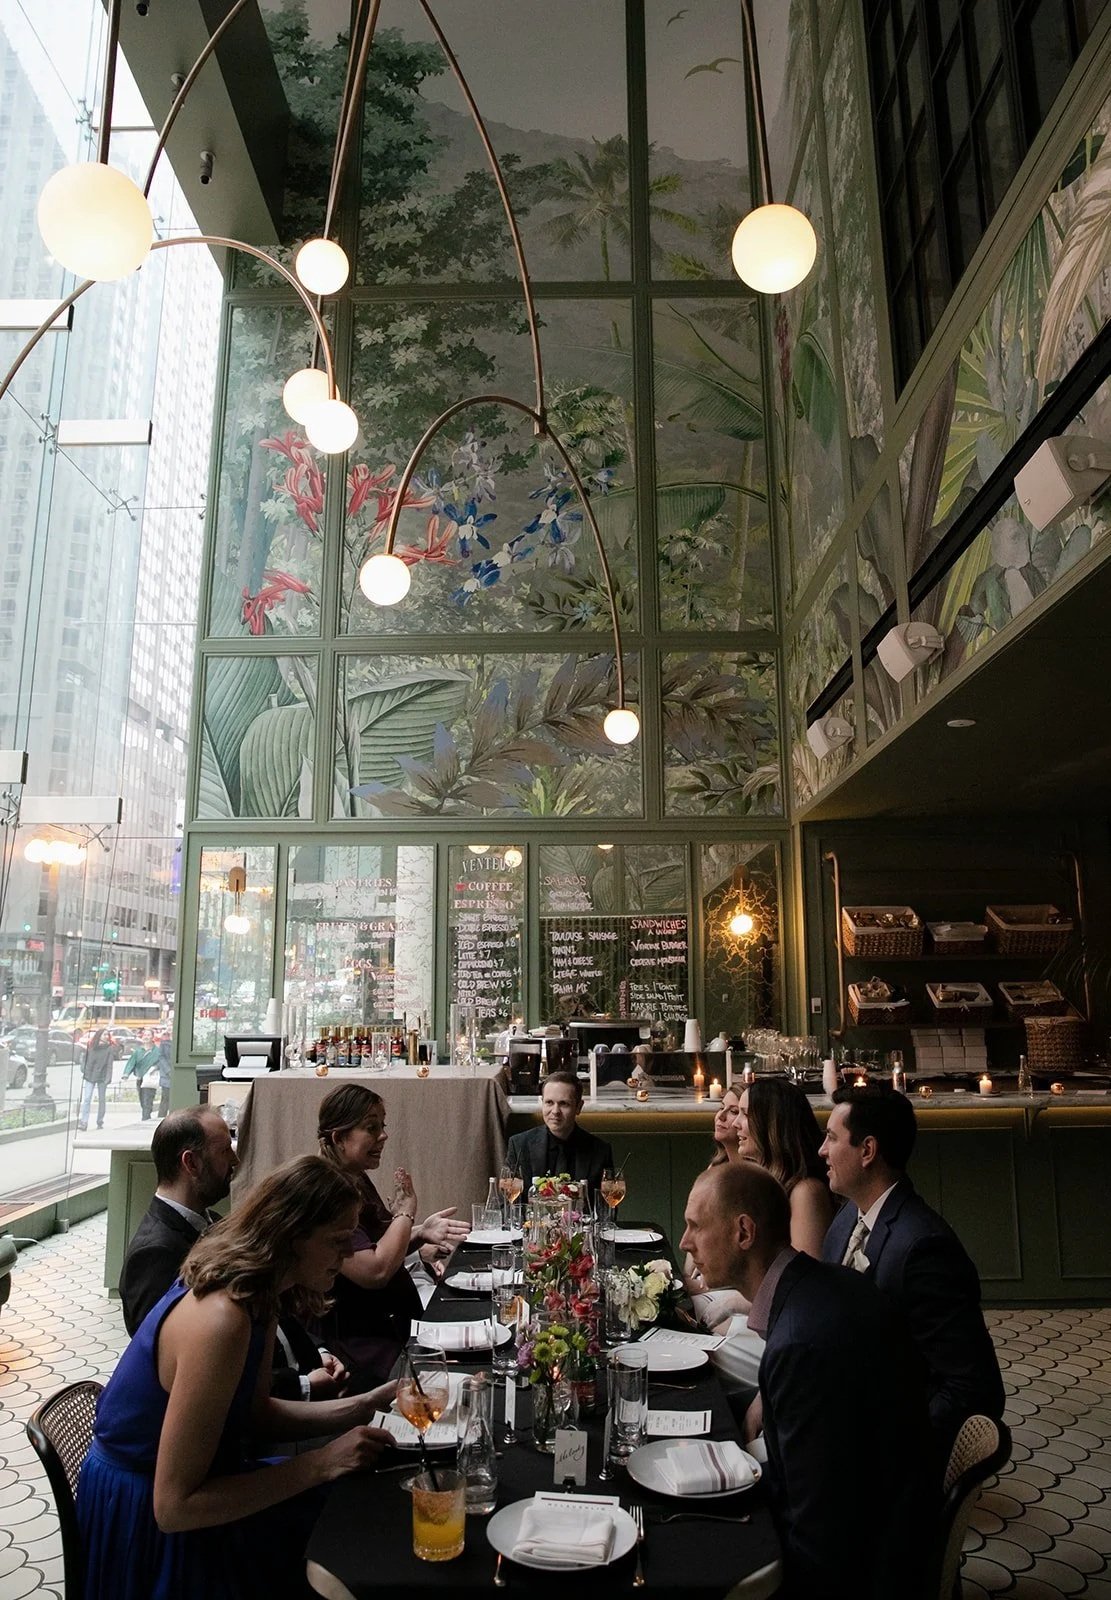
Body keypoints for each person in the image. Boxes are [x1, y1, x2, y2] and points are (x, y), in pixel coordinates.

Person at [77, 1155, 396, 1600]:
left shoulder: (259, 1295)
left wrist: (362, 1407)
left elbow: (253, 1412)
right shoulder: (222, 1318)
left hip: (199, 1485)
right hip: (150, 1522)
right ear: (291, 1236)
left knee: (358, 1508)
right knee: (348, 1535)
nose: (349, 1255)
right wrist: (322, 1462)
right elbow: (174, 1507)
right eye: (339, 1240)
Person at [680, 1161, 934, 1600]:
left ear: (744, 1233)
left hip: (869, 1566)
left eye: (695, 1227)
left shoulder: (801, 1343)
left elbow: (821, 1540)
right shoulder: (818, 1286)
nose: (685, 1242)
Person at [820, 1085, 1005, 1463]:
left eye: (832, 1138)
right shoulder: (846, 1218)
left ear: (867, 1151)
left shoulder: (924, 1248)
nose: (822, 1151)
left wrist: (885, 1446)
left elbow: (972, 1387)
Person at [119, 1107, 343, 1401]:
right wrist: (301, 1385)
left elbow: (272, 1303)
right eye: (226, 1150)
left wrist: (316, 1352)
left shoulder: (213, 1221)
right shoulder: (153, 1254)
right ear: (192, 1162)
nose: (236, 1160)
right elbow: (178, 1373)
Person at [315, 1083, 469, 1390]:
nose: (383, 1136)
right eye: (371, 1128)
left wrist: (420, 1233)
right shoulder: (325, 1191)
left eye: (382, 1127)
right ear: (338, 1138)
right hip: (364, 1348)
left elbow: (378, 1242)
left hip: (396, 1326)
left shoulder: (354, 1176)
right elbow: (375, 1270)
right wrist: (406, 1212)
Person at [686, 1080, 835, 1398]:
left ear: (773, 1122)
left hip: (793, 1336)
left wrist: (730, 1306)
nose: (736, 1123)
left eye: (744, 1114)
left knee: (698, 1355)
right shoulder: (768, 1181)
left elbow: (801, 1292)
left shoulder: (806, 1190)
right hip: (769, 1318)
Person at [505, 1071, 615, 1194]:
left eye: (564, 1104)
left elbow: (607, 1208)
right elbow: (506, 1202)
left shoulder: (600, 1151)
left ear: (579, 1107)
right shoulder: (519, 1145)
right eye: (549, 1102)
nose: (555, 1111)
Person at [77, 1028, 115, 1131]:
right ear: (99, 1036)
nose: (106, 1037)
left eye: (107, 1035)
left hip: (102, 1076)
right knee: (87, 1098)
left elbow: (109, 1064)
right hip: (90, 1075)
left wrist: (108, 1078)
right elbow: (85, 1059)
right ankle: (84, 1122)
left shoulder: (109, 1048)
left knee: (101, 1099)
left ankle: (100, 1121)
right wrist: (83, 1069)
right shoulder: (91, 1046)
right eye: (104, 1035)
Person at [122, 1032, 161, 1120]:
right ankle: (146, 1116)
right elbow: (131, 1062)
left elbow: (161, 1062)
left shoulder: (157, 1051)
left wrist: (155, 1068)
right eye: (145, 1035)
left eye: (148, 1035)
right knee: (142, 1101)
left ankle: (145, 1118)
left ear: (152, 1037)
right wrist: (126, 1074)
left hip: (150, 1079)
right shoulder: (138, 1051)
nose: (146, 1037)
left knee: (147, 1100)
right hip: (140, 1079)